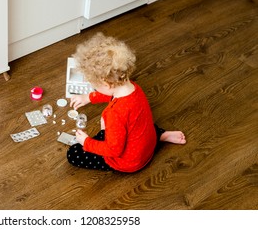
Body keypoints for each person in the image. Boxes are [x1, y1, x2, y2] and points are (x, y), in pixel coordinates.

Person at [67, 32, 186, 172]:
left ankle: (158, 137)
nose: (94, 88)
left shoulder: (115, 114)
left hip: (129, 162)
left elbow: (113, 150)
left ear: (106, 84)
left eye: (95, 85)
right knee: (143, 124)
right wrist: (88, 97)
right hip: (147, 143)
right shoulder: (133, 88)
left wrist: (86, 142)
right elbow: (110, 95)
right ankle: (161, 135)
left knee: (73, 153)